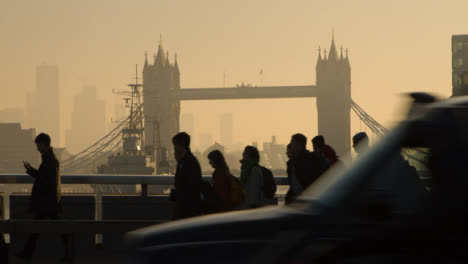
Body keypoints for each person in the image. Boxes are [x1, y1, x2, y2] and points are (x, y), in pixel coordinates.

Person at [16, 133, 72, 263]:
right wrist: (31, 170)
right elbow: (44, 178)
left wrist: (32, 172)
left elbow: (46, 181)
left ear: (43, 144)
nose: (37, 148)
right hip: (49, 201)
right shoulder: (49, 159)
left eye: (38, 145)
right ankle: (28, 253)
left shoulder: (51, 161)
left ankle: (28, 253)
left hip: (48, 202)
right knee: (43, 229)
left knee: (42, 229)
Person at [285, 134, 327, 204]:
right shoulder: (296, 161)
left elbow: (303, 183)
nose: (290, 144)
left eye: (292, 142)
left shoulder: (303, 161)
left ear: (299, 145)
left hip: (306, 202)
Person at [172, 132, 202, 219]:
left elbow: (191, 187)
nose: (174, 149)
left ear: (182, 146)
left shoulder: (189, 163)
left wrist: (178, 194)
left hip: (187, 209)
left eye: (175, 146)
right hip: (186, 208)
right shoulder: (184, 161)